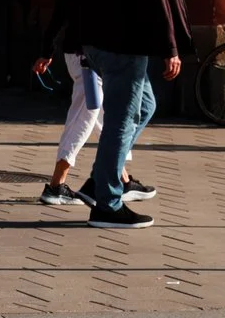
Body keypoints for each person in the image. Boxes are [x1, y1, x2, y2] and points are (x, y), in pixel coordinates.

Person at [48, 0, 192, 229]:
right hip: (125, 43)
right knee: (118, 121)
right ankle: (107, 204)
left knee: (144, 105)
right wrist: (170, 45)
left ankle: (101, 180)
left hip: (95, 41)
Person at [27, 53, 154, 207]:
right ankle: (56, 185)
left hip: (92, 51)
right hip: (85, 54)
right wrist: (47, 52)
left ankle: (122, 179)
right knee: (83, 117)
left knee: (103, 117)